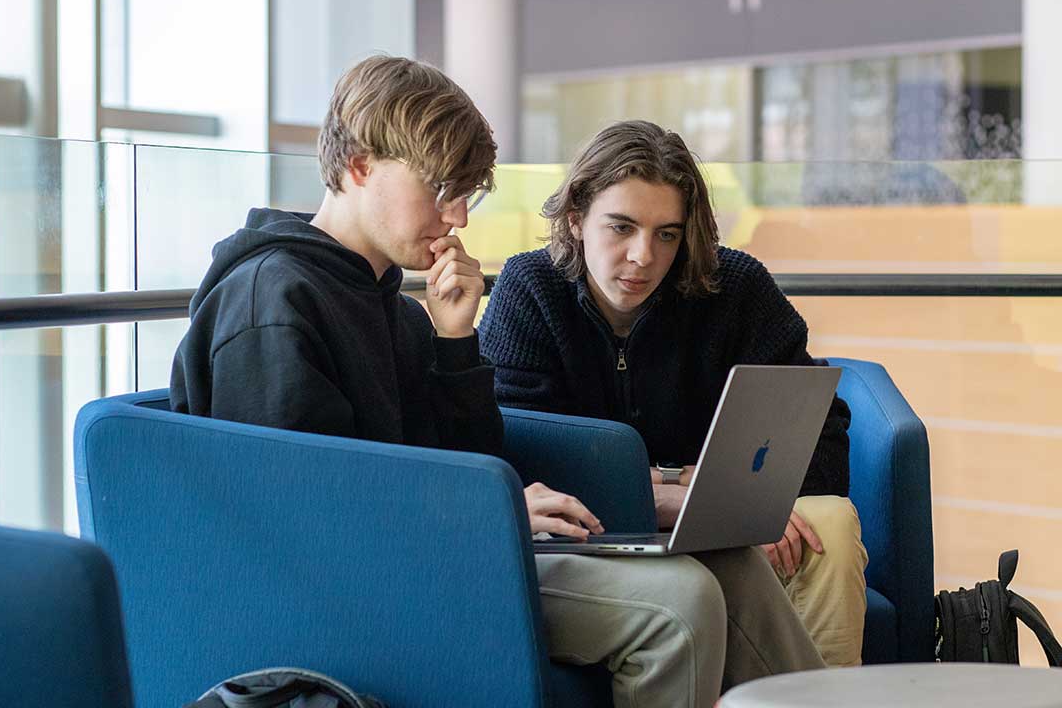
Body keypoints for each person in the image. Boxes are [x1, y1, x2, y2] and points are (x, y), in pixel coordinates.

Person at [171, 57, 823, 707]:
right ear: (361, 166)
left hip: (440, 549)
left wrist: (456, 343)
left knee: (732, 564)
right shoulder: (272, 304)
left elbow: (462, 460)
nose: (456, 217)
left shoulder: (393, 308)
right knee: (678, 604)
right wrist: (497, 511)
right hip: (369, 583)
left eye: (467, 194)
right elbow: (310, 515)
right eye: (440, 189)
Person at [479, 120, 870, 668]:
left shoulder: (733, 287)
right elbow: (520, 465)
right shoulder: (529, 291)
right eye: (621, 227)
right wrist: (670, 491)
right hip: (593, 544)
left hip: (716, 516)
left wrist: (730, 504)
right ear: (575, 220)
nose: (643, 256)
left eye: (667, 234)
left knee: (829, 521)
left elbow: (823, 439)